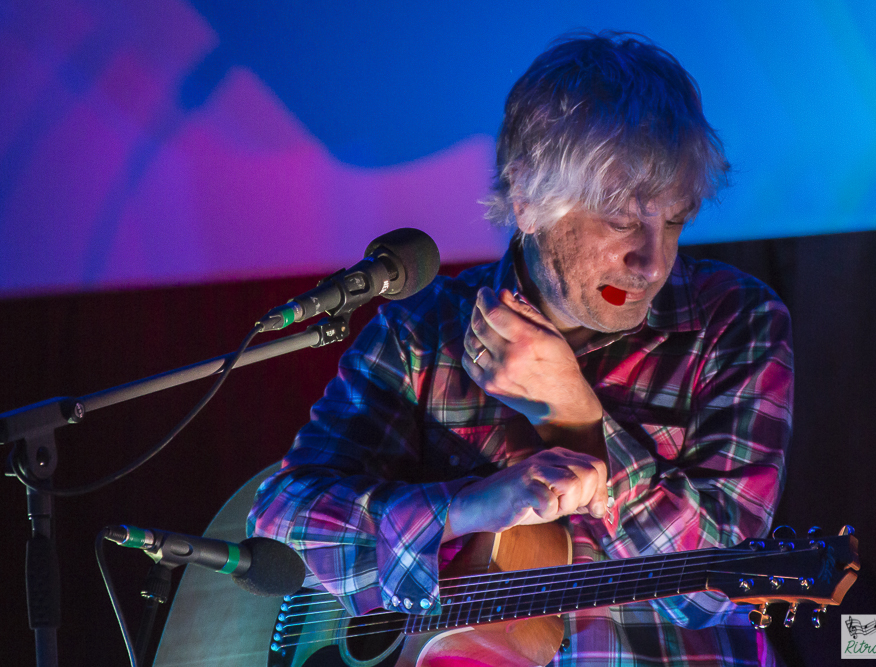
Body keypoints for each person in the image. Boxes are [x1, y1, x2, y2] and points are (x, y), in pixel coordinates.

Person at [249, 32, 793, 666]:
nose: (652, 261)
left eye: (674, 220)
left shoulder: (735, 321)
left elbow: (715, 585)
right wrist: (464, 509)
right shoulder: (420, 331)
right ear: (528, 201)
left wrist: (575, 417)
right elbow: (281, 523)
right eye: (621, 220)